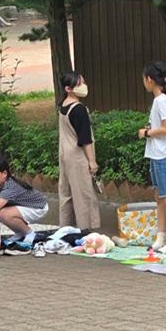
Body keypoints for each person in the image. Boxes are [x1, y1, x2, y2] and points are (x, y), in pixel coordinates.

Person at [139, 61, 166, 254]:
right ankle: (161, 236)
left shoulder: (160, 101)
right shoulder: (164, 100)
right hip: (158, 153)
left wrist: (147, 133)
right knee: (160, 197)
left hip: (163, 154)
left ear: (149, 80)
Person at [57, 71, 100, 232]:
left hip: (65, 156)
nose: (83, 86)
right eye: (79, 84)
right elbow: (85, 138)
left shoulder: (63, 105)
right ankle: (86, 229)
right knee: (84, 194)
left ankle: (66, 229)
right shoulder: (79, 109)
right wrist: (92, 161)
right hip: (78, 156)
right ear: (69, 88)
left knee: (66, 193)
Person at [0, 152, 48, 247]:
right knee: (2, 213)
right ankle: (21, 232)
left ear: (4, 173)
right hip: (27, 206)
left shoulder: (10, 187)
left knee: (4, 213)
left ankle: (29, 233)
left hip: (39, 207)